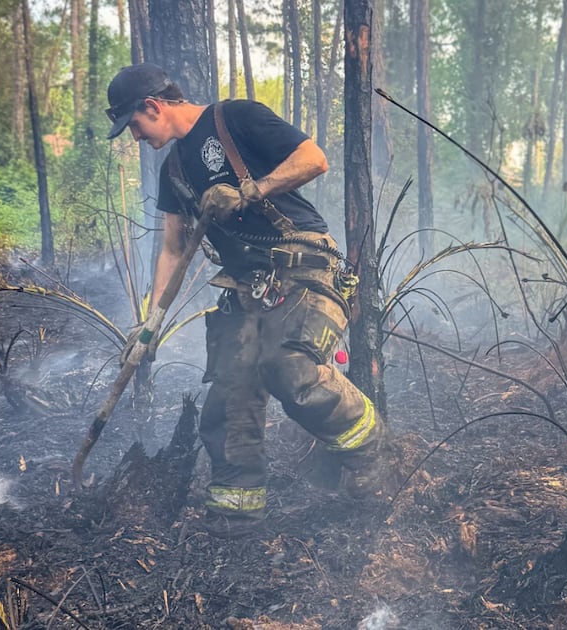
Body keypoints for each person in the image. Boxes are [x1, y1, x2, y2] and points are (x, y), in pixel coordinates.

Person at [105, 63, 391, 538]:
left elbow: (314, 159)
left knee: (289, 368)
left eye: (134, 125)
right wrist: (149, 324)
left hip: (304, 264)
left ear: (152, 106)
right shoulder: (172, 170)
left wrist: (248, 192)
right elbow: (173, 249)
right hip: (245, 287)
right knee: (229, 394)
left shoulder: (234, 118)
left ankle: (374, 456)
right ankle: (235, 516)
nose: (135, 137)